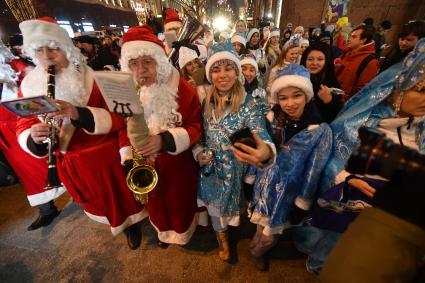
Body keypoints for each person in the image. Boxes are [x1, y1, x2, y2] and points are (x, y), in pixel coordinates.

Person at [294, 38, 425, 274]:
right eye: (421, 90)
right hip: (347, 212)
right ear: (398, 89)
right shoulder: (361, 122)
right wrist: (347, 180)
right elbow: (332, 159)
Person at [16, 17, 148, 249]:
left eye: (54, 48)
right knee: (99, 204)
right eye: (39, 50)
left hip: (108, 162)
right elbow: (22, 125)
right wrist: (33, 137)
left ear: (67, 49)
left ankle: (131, 226)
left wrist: (79, 114)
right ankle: (120, 223)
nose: (46, 57)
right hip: (75, 165)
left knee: (125, 203)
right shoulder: (29, 87)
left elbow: (121, 118)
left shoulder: (95, 80)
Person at [120, 25, 203, 247]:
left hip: (178, 165)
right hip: (145, 164)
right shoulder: (127, 91)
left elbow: (196, 127)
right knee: (156, 205)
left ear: (159, 61)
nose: (140, 71)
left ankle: (182, 233)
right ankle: (163, 232)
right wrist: (128, 156)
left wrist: (165, 140)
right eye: (134, 64)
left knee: (179, 203)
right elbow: (122, 127)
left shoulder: (182, 88)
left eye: (147, 62)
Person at [244, 64, 332, 271]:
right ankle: (255, 248)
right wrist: (249, 179)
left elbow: (314, 170)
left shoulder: (320, 130)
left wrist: (302, 203)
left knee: (270, 236)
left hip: (286, 195)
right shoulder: (269, 121)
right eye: (283, 98)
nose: (290, 103)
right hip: (262, 188)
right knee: (259, 227)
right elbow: (258, 151)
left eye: (296, 96)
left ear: (307, 95)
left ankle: (255, 252)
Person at [195, 40, 275, 262]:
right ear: (210, 74)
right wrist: (199, 152)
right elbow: (200, 136)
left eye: (228, 68)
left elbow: (261, 133)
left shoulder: (250, 104)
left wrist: (266, 152)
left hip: (235, 171)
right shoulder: (205, 103)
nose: (222, 75)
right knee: (214, 212)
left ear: (236, 71)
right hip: (210, 170)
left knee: (232, 212)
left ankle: (231, 236)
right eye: (216, 69)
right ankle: (223, 241)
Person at [0, 38, 65, 230]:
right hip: (8, 138)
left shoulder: (16, 67)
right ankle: (46, 210)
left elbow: (32, 97)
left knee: (56, 162)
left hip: (28, 124)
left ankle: (84, 198)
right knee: (28, 176)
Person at [300, 43, 343, 123]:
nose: (314, 63)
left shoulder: (332, 83)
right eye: (310, 59)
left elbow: (339, 114)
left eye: (320, 59)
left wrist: (330, 101)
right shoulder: (297, 79)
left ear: (327, 61)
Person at [335, 25, 379, 102]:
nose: (349, 39)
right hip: (334, 97)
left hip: (345, 104)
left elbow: (362, 91)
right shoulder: (348, 54)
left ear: (363, 40)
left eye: (353, 37)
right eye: (350, 36)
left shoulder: (370, 62)